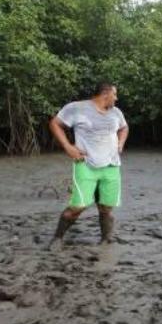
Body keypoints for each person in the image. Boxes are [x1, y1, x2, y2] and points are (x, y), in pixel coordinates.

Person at [47, 82, 128, 247]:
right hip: (86, 165)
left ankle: (106, 239)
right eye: (115, 94)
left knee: (106, 207)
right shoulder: (77, 108)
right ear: (105, 94)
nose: (116, 98)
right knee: (78, 206)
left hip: (112, 166)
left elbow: (124, 128)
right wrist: (68, 147)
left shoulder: (116, 112)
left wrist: (120, 143)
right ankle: (57, 238)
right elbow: (55, 124)